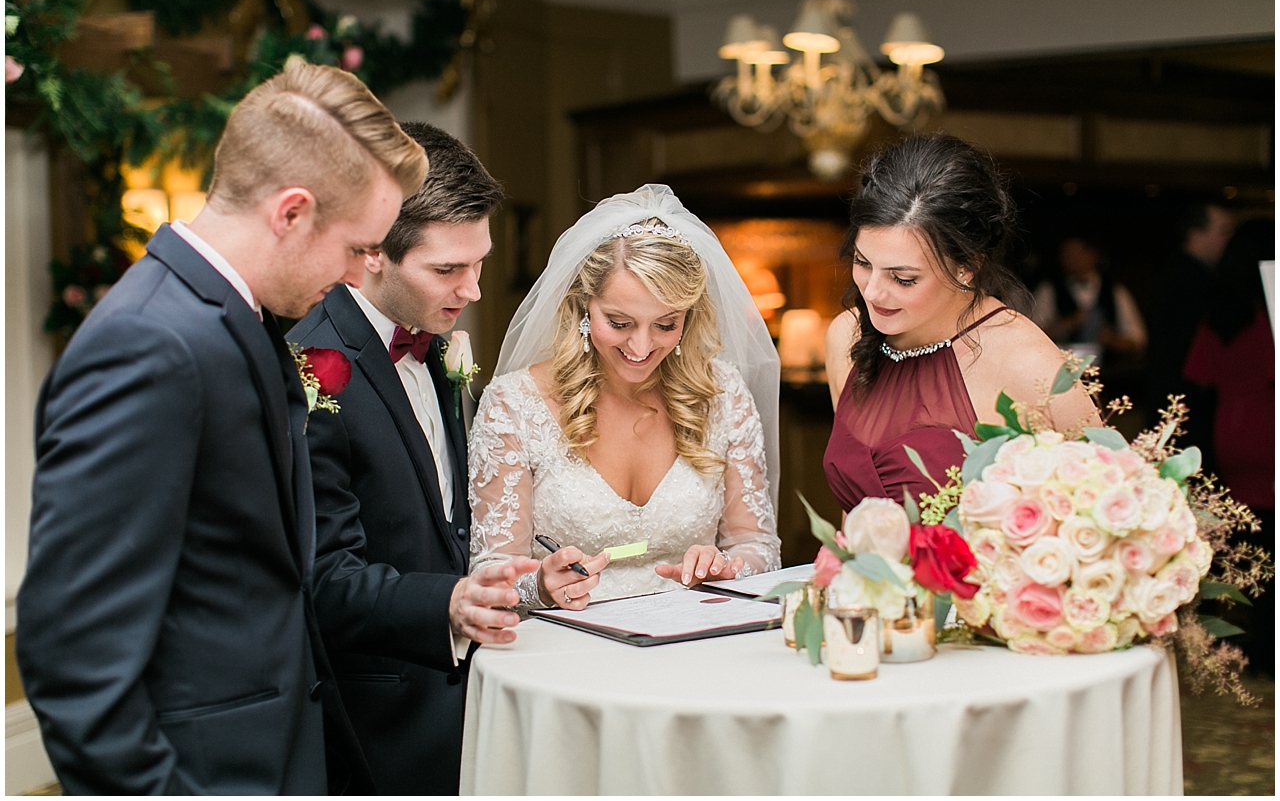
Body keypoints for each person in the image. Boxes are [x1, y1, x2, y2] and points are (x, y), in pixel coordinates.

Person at [16, 60, 427, 794]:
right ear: (291, 212)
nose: (366, 273)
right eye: (360, 246)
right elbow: (76, 659)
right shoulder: (149, 345)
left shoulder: (239, 322)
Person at [287, 121, 536, 794]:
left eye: (478, 262)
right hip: (381, 726)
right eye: (448, 269)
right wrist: (448, 604)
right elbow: (326, 580)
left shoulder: (440, 348)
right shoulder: (315, 370)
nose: (473, 289)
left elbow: (449, 528)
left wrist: (526, 571)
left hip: (473, 703)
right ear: (372, 253)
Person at [468, 184, 782, 609]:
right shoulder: (514, 405)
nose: (641, 347)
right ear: (583, 307)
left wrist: (728, 568)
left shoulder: (723, 395)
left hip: (697, 643)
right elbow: (490, 574)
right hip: (565, 651)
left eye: (666, 325)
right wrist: (539, 587)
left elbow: (757, 545)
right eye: (619, 322)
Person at [823, 134, 1100, 510]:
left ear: (967, 266)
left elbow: (1101, 510)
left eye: (903, 278)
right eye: (862, 263)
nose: (872, 292)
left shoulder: (1027, 365)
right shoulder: (846, 337)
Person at [1184, 218, 1274, 676]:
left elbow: (1199, 374)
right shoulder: (1269, 315)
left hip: (1232, 431)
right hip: (1269, 426)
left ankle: (1256, 646)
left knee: (1252, 538)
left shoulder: (1222, 310)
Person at [1146, 198, 1235, 467]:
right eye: (1224, 230)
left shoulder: (1183, 273)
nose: (1229, 240)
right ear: (1196, 234)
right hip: (1186, 405)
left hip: (1174, 402)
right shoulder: (1193, 281)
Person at [1031, 234, 1147, 366]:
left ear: (1092, 254)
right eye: (1065, 254)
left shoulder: (1114, 290)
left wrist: (1113, 341)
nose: (1069, 259)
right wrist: (1065, 325)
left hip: (1108, 373)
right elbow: (1032, 336)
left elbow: (1138, 339)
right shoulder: (1048, 289)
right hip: (1063, 372)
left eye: (1076, 254)